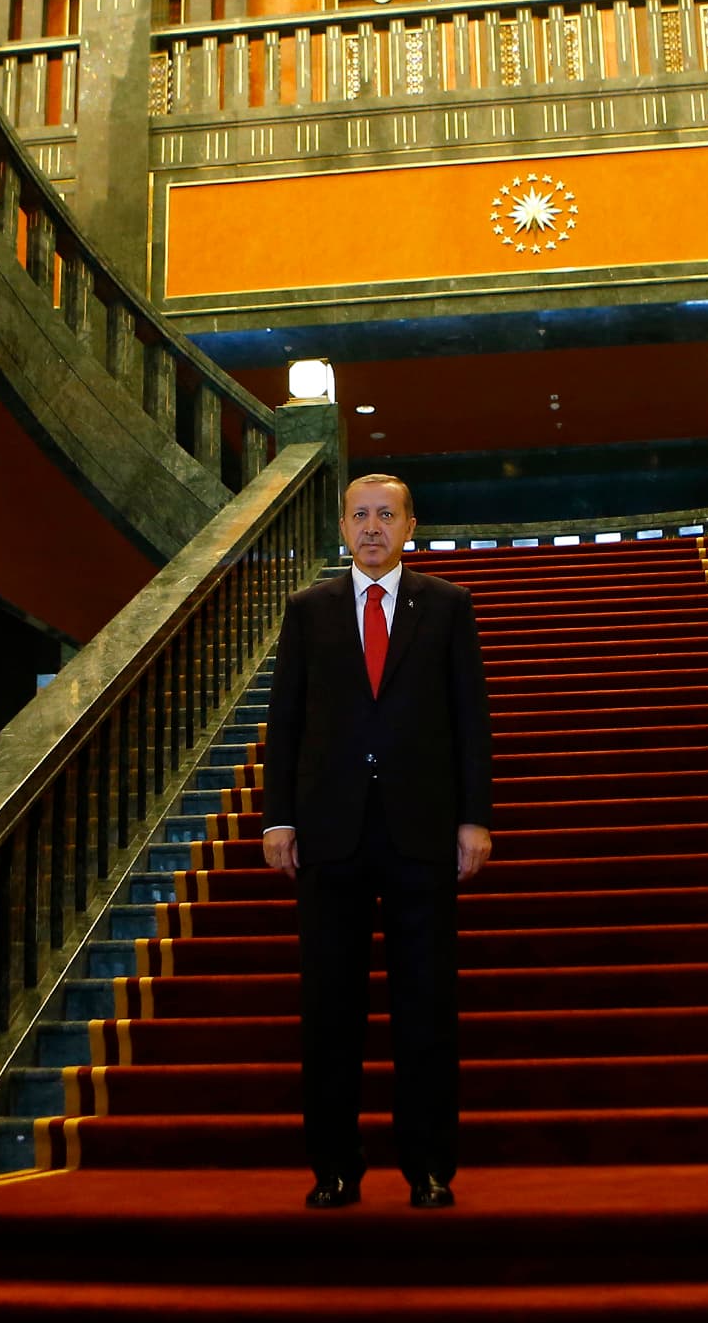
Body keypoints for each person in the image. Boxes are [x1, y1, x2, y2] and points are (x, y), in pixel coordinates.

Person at [263, 473, 493, 1210]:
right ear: (342, 526)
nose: (371, 528)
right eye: (359, 515)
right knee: (329, 1009)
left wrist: (473, 817)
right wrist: (277, 817)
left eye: (384, 515)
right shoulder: (307, 610)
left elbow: (469, 719)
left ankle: (428, 1167)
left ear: (409, 525)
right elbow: (287, 720)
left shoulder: (447, 607)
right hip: (328, 834)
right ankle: (334, 1167)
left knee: (425, 1006)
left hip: (420, 829)